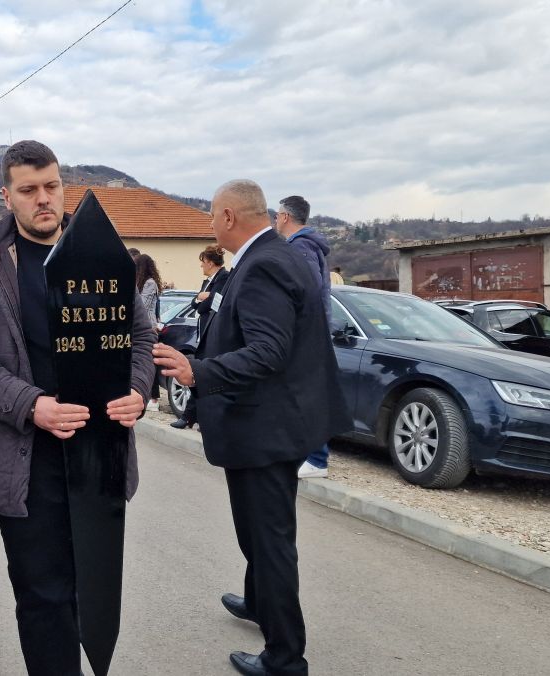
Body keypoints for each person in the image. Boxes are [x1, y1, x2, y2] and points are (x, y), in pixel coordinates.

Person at [0, 140, 154, 676]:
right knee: (43, 596)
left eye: (52, 186)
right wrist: (32, 404)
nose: (43, 199)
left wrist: (137, 389)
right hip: (25, 459)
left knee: (92, 586)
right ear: (7, 196)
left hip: (99, 455)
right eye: (29, 190)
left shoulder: (101, 255)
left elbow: (140, 336)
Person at [153, 179, 349, 676]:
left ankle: (284, 658)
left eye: (211, 216)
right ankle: (260, 601)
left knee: (269, 542)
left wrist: (198, 372)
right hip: (269, 424)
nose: (210, 225)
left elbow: (268, 351)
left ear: (228, 217)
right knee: (257, 534)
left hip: (267, 428)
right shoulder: (272, 256)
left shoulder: (264, 265)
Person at [275, 196, 334, 479]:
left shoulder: (301, 248)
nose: (275, 220)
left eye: (277, 215)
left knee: (307, 395)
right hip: (309, 333)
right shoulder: (305, 246)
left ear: (286, 217)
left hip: (306, 335)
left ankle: (317, 459)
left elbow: (306, 291)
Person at [170, 244, 230, 430]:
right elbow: (195, 304)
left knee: (203, 377)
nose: (201, 265)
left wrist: (203, 300)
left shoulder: (223, 278)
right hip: (203, 334)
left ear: (210, 262)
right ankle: (191, 417)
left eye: (203, 261)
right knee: (199, 376)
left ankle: (194, 417)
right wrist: (200, 298)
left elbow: (210, 306)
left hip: (214, 335)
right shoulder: (208, 281)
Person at [135, 253, 164, 411]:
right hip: (144, 324)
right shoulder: (143, 282)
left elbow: (143, 305)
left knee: (150, 362)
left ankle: (154, 398)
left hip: (148, 327)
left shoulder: (150, 283)